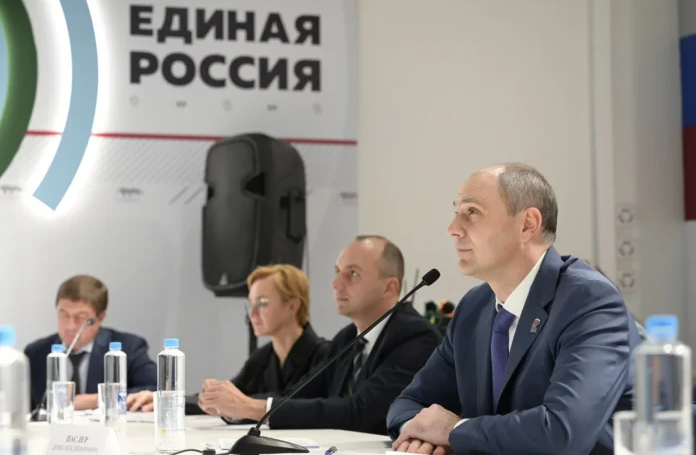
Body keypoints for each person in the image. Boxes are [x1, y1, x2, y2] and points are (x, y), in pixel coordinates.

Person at [387, 163, 642, 455]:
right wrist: (420, 434)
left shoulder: (589, 301)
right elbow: (407, 404)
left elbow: (563, 433)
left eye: (472, 212)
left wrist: (454, 432)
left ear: (528, 224)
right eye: (456, 212)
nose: (452, 229)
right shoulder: (474, 307)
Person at [169, 236, 441, 435]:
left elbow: (363, 412)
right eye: (337, 273)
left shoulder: (416, 338)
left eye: (352, 274)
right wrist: (233, 406)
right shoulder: (347, 338)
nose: (335, 284)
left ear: (390, 287)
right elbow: (297, 396)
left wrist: (251, 408)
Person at [127, 264, 331, 415]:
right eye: (250, 304)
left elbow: (294, 403)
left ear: (293, 307)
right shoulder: (263, 357)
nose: (252, 314)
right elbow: (231, 397)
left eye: (262, 303)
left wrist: (236, 402)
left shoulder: (325, 355)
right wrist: (167, 400)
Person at [24, 275, 157, 411]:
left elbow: (155, 390)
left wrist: (99, 399)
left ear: (100, 317)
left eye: (81, 318)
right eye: (64, 315)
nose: (70, 326)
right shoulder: (35, 353)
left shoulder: (128, 347)